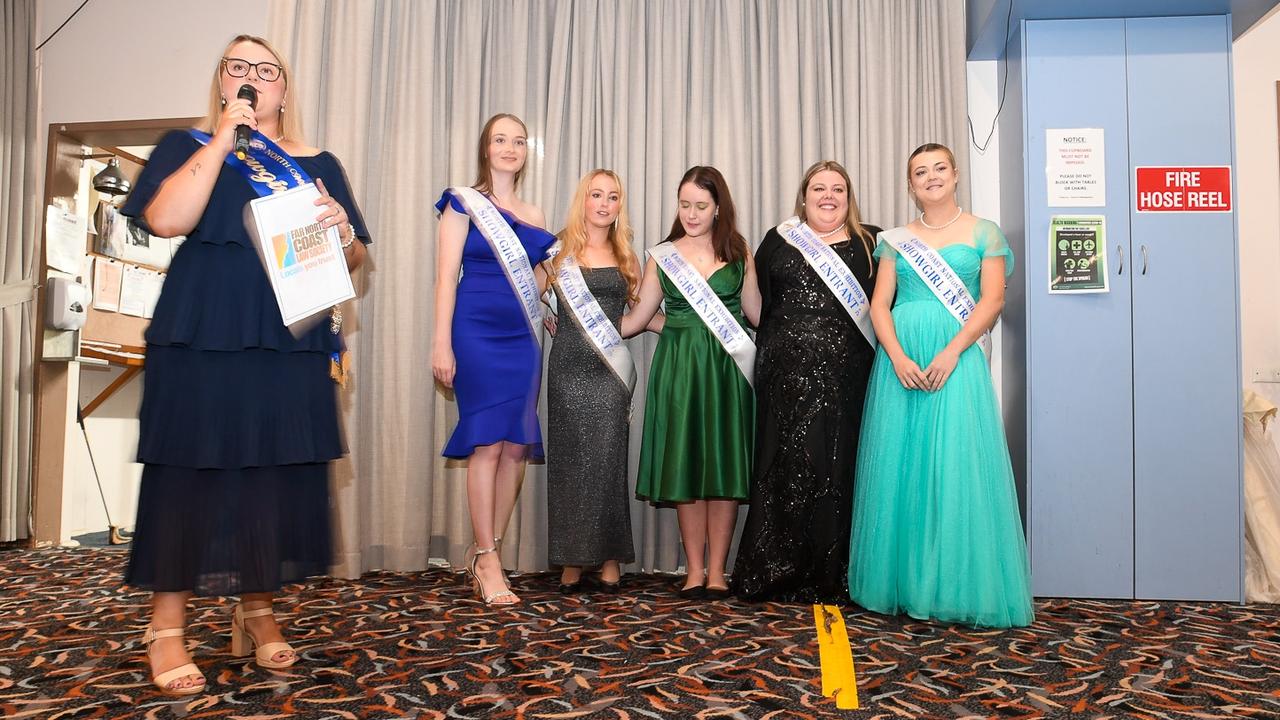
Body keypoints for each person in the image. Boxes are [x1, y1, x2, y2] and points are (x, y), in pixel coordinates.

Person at [121, 35, 370, 695]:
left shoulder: (319, 162)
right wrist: (223, 137)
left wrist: (342, 229)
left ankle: (256, 610)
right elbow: (168, 220)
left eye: (268, 70)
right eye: (240, 68)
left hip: (287, 338)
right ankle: (166, 625)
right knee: (186, 472)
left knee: (268, 471)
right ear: (223, 83)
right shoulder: (186, 146)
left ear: (285, 89)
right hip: (203, 330)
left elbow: (352, 262)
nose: (255, 79)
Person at [847, 143, 1033, 627]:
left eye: (939, 169)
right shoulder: (895, 240)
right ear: (910, 185)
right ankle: (904, 582)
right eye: (919, 172)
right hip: (902, 364)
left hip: (957, 358)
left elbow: (992, 301)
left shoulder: (983, 232)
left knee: (955, 468)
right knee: (901, 470)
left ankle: (953, 587)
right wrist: (897, 356)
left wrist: (952, 351)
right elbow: (879, 305)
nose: (931, 178)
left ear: (954, 175)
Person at [732, 161, 880, 602]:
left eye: (838, 189)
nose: (828, 196)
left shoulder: (870, 242)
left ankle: (832, 573)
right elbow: (758, 310)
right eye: (819, 188)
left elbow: (886, 305)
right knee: (785, 465)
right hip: (784, 377)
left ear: (849, 197)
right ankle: (776, 571)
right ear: (804, 195)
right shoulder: (778, 239)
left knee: (836, 465)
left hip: (845, 377)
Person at [432, 113, 555, 606]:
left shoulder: (535, 214)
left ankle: (491, 550)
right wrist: (440, 341)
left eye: (518, 141)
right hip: (475, 331)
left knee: (515, 448)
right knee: (486, 443)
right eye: (500, 139)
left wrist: (547, 301)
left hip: (521, 338)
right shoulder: (462, 204)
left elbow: (539, 279)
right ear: (486, 148)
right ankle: (486, 559)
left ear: (527, 151)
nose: (509, 147)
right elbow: (445, 278)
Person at [623, 166, 760, 599]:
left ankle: (718, 571)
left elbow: (757, 316)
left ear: (719, 207)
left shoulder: (740, 252)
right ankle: (694, 570)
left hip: (727, 371)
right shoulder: (662, 255)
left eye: (701, 206)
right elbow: (638, 321)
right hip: (680, 372)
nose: (692, 214)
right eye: (685, 205)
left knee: (723, 469)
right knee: (686, 467)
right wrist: (577, 323)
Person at [544, 170, 642, 592]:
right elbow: (533, 301)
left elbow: (631, 318)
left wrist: (669, 326)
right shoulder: (556, 251)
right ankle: (571, 558)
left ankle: (607, 555)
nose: (604, 204)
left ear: (621, 205)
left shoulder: (628, 257)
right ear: (582, 200)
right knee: (569, 465)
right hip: (567, 368)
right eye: (596, 195)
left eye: (613, 197)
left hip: (609, 374)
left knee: (607, 464)